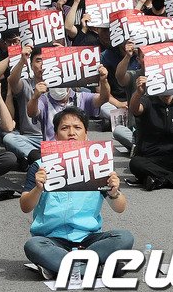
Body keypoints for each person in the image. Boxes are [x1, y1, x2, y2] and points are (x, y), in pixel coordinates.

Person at [18, 107, 132, 280]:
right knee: (33, 246)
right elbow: (25, 206)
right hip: (52, 239)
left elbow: (120, 208)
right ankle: (95, 268)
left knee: (124, 238)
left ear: (86, 134)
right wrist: (38, 188)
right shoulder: (40, 166)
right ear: (55, 135)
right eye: (65, 128)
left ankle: (62, 268)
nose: (71, 133)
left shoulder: (97, 164)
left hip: (88, 240)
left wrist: (114, 192)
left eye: (77, 128)